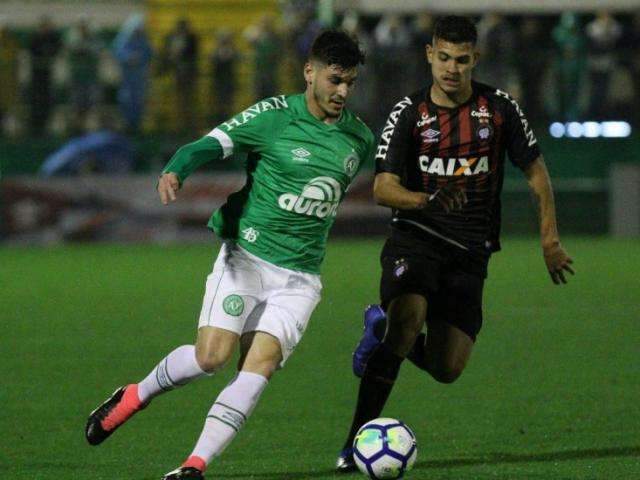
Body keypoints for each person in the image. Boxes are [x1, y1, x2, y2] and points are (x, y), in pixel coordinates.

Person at [85, 29, 373, 480]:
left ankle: (192, 466)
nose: (342, 91)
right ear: (309, 72)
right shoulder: (274, 116)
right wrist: (177, 170)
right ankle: (135, 395)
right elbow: (206, 144)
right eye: (335, 80)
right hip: (247, 260)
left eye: (350, 83)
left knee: (259, 365)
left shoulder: (359, 140)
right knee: (211, 358)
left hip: (300, 279)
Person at [335, 16, 574, 472]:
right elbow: (383, 187)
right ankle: (354, 444)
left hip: (471, 251)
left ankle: (376, 331)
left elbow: (537, 173)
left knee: (447, 368)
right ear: (429, 54)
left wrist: (550, 240)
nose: (451, 68)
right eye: (443, 57)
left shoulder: (499, 108)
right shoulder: (409, 112)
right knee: (409, 319)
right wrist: (427, 200)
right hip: (416, 236)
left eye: (462, 60)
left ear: (475, 60)